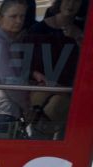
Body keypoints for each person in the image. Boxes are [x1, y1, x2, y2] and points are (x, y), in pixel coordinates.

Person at [25, 0, 85, 138]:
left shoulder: (84, 30)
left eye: (76, 1)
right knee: (54, 105)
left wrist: (80, 38)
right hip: (43, 90)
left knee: (59, 105)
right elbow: (25, 64)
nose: (71, 5)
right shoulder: (38, 30)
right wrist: (35, 74)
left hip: (72, 93)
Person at [0, 0, 31, 136]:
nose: (18, 21)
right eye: (13, 16)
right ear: (0, 18)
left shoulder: (8, 42)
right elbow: (10, 81)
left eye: (22, 17)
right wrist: (27, 107)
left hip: (4, 112)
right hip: (0, 113)